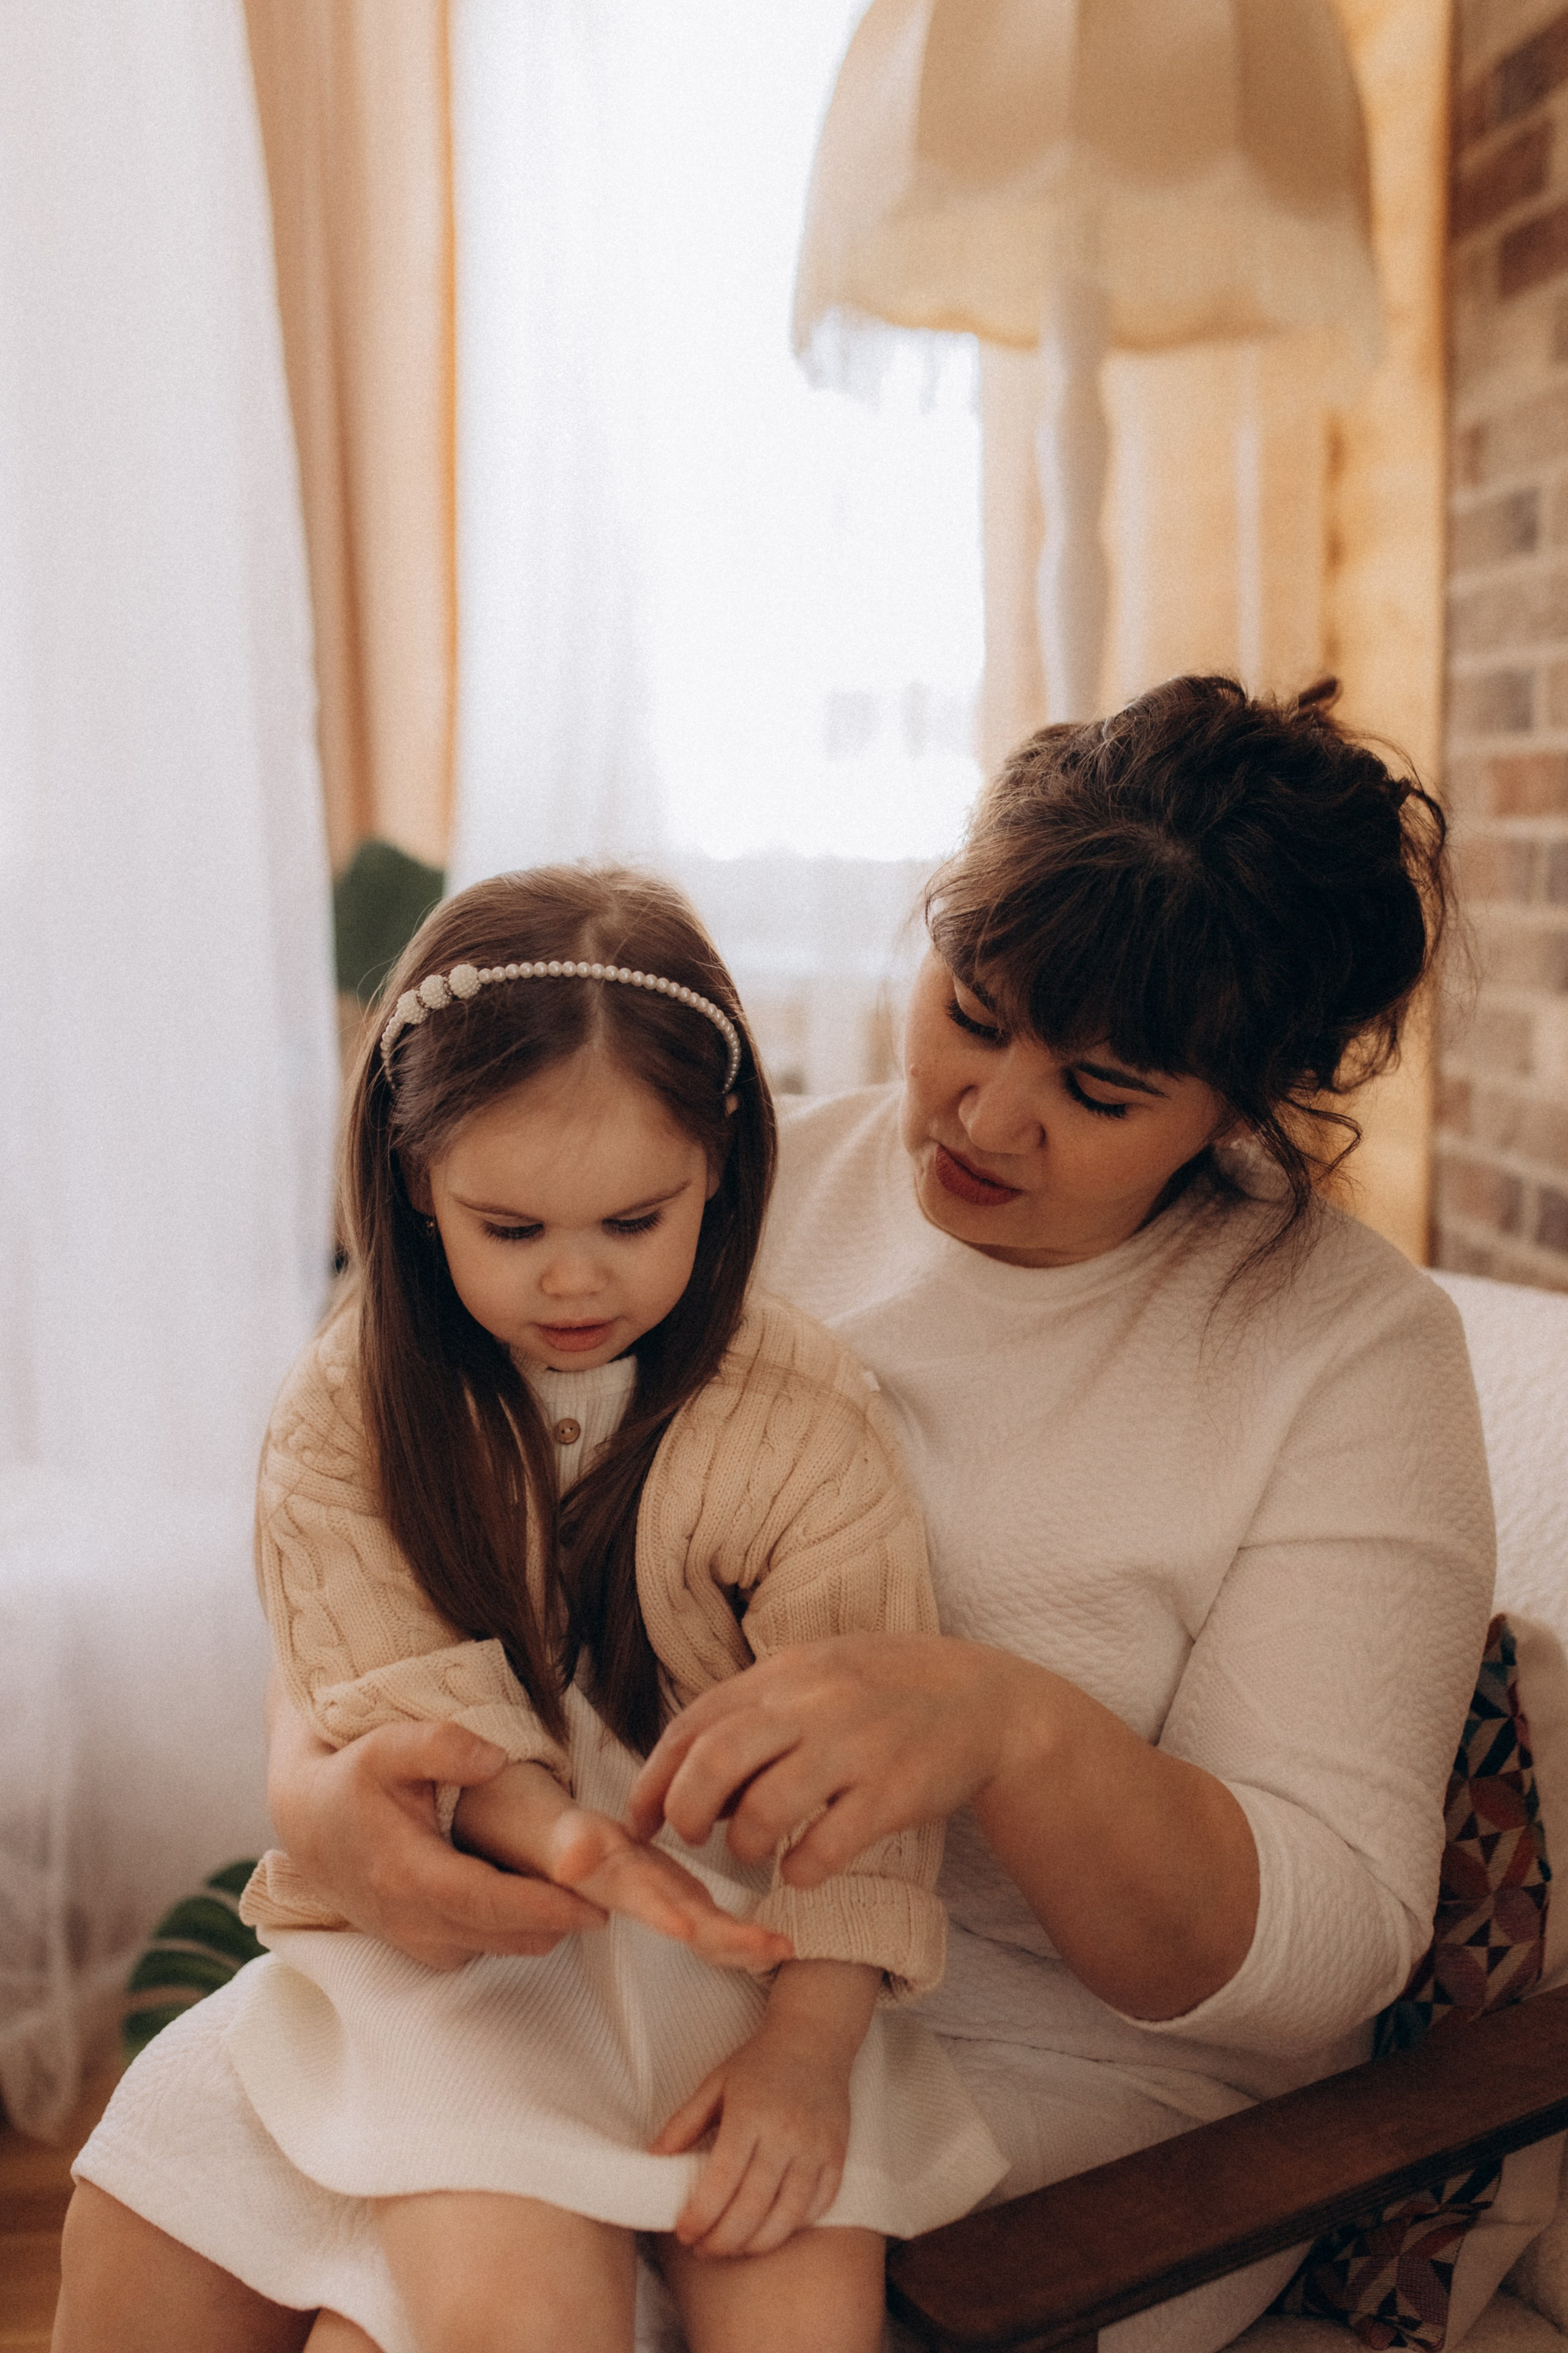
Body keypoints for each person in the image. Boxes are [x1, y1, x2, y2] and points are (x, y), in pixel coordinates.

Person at [58, 676, 1496, 2353]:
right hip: (606, 1959)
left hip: (1055, 2077)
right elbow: (401, 1547)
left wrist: (1013, 1733)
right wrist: (324, 1792)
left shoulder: (1347, 1357)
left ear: (1246, 1103)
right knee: (152, 2202)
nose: (986, 1110)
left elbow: (1334, 1945)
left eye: (1101, 1092)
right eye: (972, 1006)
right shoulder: (707, 1191)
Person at [62, 866, 1006, 2353]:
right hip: (474, 1967)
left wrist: (809, 2051)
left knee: (801, 2321)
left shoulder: (804, 1409)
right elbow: (389, 1684)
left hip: (755, 1968)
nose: (575, 1281)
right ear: (413, 1180)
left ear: (722, 1168)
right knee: (507, 2314)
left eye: (635, 1220)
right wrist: (563, 1842)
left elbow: (866, 1776)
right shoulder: (345, 1413)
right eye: (508, 1229)